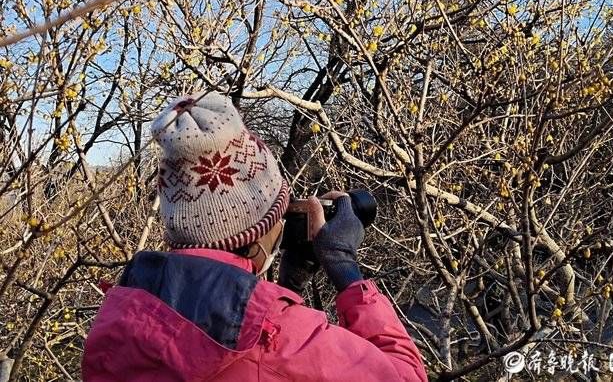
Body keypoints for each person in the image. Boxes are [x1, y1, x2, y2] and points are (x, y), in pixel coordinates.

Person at [82, 92, 428, 382]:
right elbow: (406, 375)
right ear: (257, 234)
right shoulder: (279, 339)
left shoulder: (118, 319)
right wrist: (343, 265)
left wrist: (289, 284)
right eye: (279, 215)